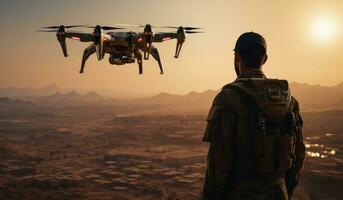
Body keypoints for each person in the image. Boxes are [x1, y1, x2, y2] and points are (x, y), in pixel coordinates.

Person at [202, 32, 306, 200]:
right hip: (278, 193)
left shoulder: (228, 98)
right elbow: (298, 155)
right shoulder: (288, 101)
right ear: (265, 59)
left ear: (237, 57)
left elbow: (218, 163)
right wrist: (284, 190)